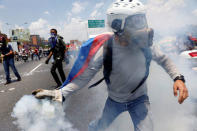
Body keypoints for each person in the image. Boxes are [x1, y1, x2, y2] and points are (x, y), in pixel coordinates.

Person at [33, 0, 188, 131]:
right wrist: (61, 93)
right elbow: (85, 76)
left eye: (143, 20)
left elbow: (164, 59)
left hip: (140, 100)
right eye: (137, 22)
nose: (144, 28)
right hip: (115, 102)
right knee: (100, 126)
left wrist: (178, 78)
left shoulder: (145, 45)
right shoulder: (107, 49)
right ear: (118, 24)